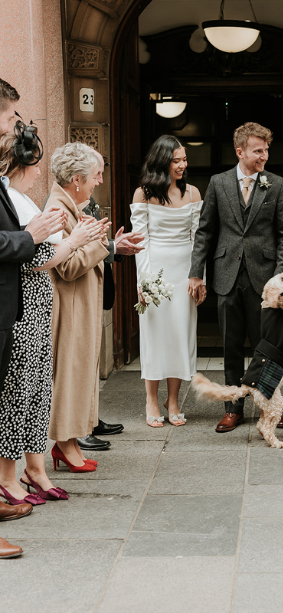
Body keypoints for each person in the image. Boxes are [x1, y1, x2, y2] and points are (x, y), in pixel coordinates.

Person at [0, 127, 106, 505]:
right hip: (23, 306)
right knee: (19, 393)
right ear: (19, 165)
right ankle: (9, 476)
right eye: (34, 164)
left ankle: (37, 467)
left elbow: (41, 257)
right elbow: (35, 260)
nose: (40, 172)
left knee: (38, 394)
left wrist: (81, 242)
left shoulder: (23, 200)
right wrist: (78, 242)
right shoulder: (15, 201)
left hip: (38, 304)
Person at [189, 122, 283, 433]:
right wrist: (197, 273)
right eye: (258, 150)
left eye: (266, 150)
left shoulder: (276, 184)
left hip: (266, 278)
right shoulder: (218, 183)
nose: (264, 156)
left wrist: (280, 279)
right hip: (227, 275)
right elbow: (205, 232)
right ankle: (233, 408)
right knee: (231, 345)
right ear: (240, 152)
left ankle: (269, 406)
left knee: (268, 347)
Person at [0, 79, 68, 559]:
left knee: (30, 397)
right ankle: (15, 477)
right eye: (9, 117)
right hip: (14, 307)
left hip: (19, 307)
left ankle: (30, 470)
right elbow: (20, 249)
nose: (14, 126)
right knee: (14, 402)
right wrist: (32, 235)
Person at [46, 142, 112, 473]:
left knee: (79, 373)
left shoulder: (72, 205)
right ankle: (63, 444)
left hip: (79, 302)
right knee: (70, 375)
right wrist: (99, 244)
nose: (99, 181)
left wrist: (103, 242)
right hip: (70, 307)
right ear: (76, 179)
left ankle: (70, 443)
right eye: (94, 176)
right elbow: (67, 267)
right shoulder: (57, 209)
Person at [131, 135, 202, 427]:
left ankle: (173, 400)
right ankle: (151, 398)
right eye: (177, 160)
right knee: (154, 334)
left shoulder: (194, 193)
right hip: (155, 269)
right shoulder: (143, 194)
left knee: (180, 334)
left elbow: (199, 239)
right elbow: (140, 240)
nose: (183, 165)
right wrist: (144, 282)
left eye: (184, 159)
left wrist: (200, 277)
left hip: (185, 269)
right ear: (163, 162)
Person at [78, 149, 143, 453]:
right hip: (78, 294)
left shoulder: (88, 202)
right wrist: (113, 245)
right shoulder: (67, 206)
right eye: (98, 173)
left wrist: (113, 247)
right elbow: (73, 253)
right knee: (77, 365)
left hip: (96, 289)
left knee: (91, 363)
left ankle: (90, 419)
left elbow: (95, 245)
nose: (102, 179)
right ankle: (78, 428)